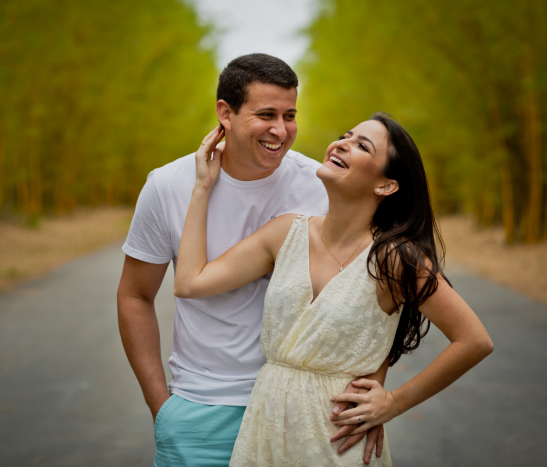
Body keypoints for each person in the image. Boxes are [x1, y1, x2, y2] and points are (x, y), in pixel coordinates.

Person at [174, 113, 495, 466]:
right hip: (264, 431)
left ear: (386, 185)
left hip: (337, 439)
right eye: (345, 135)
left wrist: (394, 402)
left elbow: (474, 340)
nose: (342, 143)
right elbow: (190, 282)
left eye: (361, 145)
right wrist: (202, 186)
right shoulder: (285, 234)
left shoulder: (395, 257)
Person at [117, 54, 387, 467]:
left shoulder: (322, 187)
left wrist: (375, 394)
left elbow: (376, 301)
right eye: (266, 114)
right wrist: (162, 408)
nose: (281, 130)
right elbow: (136, 296)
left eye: (290, 115)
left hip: (306, 413)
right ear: (225, 113)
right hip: (201, 409)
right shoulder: (168, 186)